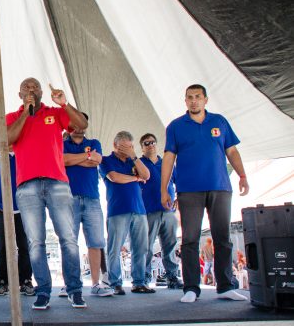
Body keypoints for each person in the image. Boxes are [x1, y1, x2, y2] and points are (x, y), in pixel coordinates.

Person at [160, 84, 250, 303]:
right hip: (188, 189)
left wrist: (242, 175)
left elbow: (232, 151)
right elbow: (169, 158)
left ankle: (226, 286)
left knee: (223, 238)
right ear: (185, 101)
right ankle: (191, 288)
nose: (193, 101)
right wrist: (164, 189)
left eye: (197, 97)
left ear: (205, 100)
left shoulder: (219, 121)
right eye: (189, 97)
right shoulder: (175, 126)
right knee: (190, 239)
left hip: (220, 186)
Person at [6, 78, 88, 310]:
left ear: (42, 91)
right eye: (26, 88)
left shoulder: (55, 112)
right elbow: (8, 139)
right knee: (35, 242)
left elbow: (82, 124)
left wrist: (65, 104)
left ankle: (75, 290)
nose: (31, 90)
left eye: (35, 87)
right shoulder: (12, 117)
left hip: (57, 183)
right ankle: (43, 291)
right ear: (19, 93)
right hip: (27, 185)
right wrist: (25, 114)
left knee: (68, 239)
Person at [63, 113, 113, 297]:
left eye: (83, 122)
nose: (79, 126)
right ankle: (70, 284)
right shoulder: (62, 144)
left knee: (96, 242)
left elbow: (97, 160)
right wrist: (86, 157)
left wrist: (75, 158)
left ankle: (95, 284)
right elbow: (62, 160)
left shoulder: (95, 142)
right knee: (69, 243)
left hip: (92, 198)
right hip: (68, 199)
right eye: (75, 122)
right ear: (69, 124)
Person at [99, 131, 154, 295]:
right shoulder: (106, 160)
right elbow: (115, 177)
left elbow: (147, 175)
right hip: (118, 209)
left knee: (140, 247)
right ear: (116, 145)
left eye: (131, 146)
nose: (129, 149)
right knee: (115, 248)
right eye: (125, 146)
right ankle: (115, 282)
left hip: (139, 209)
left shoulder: (133, 161)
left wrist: (135, 157)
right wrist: (135, 178)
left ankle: (139, 282)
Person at [0, 149, 35, 297]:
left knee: (25, 247)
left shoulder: (25, 154)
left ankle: (25, 281)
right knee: (0, 248)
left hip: (23, 211)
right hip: (1, 211)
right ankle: (2, 282)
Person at [138, 133, 183, 289]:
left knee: (170, 245)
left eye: (152, 142)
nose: (150, 145)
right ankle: (144, 277)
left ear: (157, 144)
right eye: (146, 143)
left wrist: (180, 197)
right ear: (141, 147)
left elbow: (180, 181)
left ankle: (172, 277)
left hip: (168, 211)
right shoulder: (138, 164)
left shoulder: (167, 163)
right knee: (146, 247)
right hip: (148, 211)